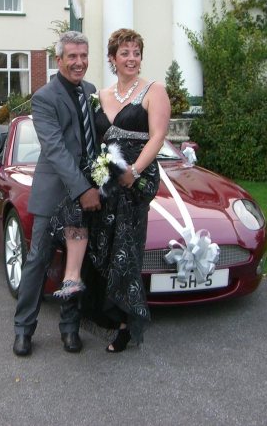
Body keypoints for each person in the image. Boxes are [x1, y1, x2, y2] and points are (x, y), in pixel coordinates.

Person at [12, 31, 101, 357]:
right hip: (56, 196)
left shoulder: (90, 91)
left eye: (83, 56)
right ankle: (23, 329)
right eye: (72, 57)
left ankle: (69, 328)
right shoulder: (45, 97)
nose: (79, 63)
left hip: (83, 201)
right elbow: (56, 148)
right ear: (59, 59)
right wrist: (83, 190)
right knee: (38, 262)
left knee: (75, 262)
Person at [82, 28, 170, 353]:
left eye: (136, 53)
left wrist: (133, 171)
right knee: (102, 247)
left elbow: (158, 136)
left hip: (135, 184)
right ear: (112, 59)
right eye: (125, 53)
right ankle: (105, 313)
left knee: (126, 251)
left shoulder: (153, 90)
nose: (131, 59)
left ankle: (125, 324)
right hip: (105, 183)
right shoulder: (100, 95)